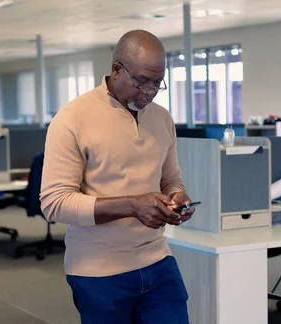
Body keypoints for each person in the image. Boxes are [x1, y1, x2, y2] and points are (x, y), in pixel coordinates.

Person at [40, 29, 195, 324]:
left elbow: (171, 180)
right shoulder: (72, 119)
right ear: (116, 70)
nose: (149, 92)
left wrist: (177, 198)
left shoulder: (162, 118)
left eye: (157, 83)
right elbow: (54, 203)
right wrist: (133, 205)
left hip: (158, 260)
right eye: (141, 82)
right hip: (98, 270)